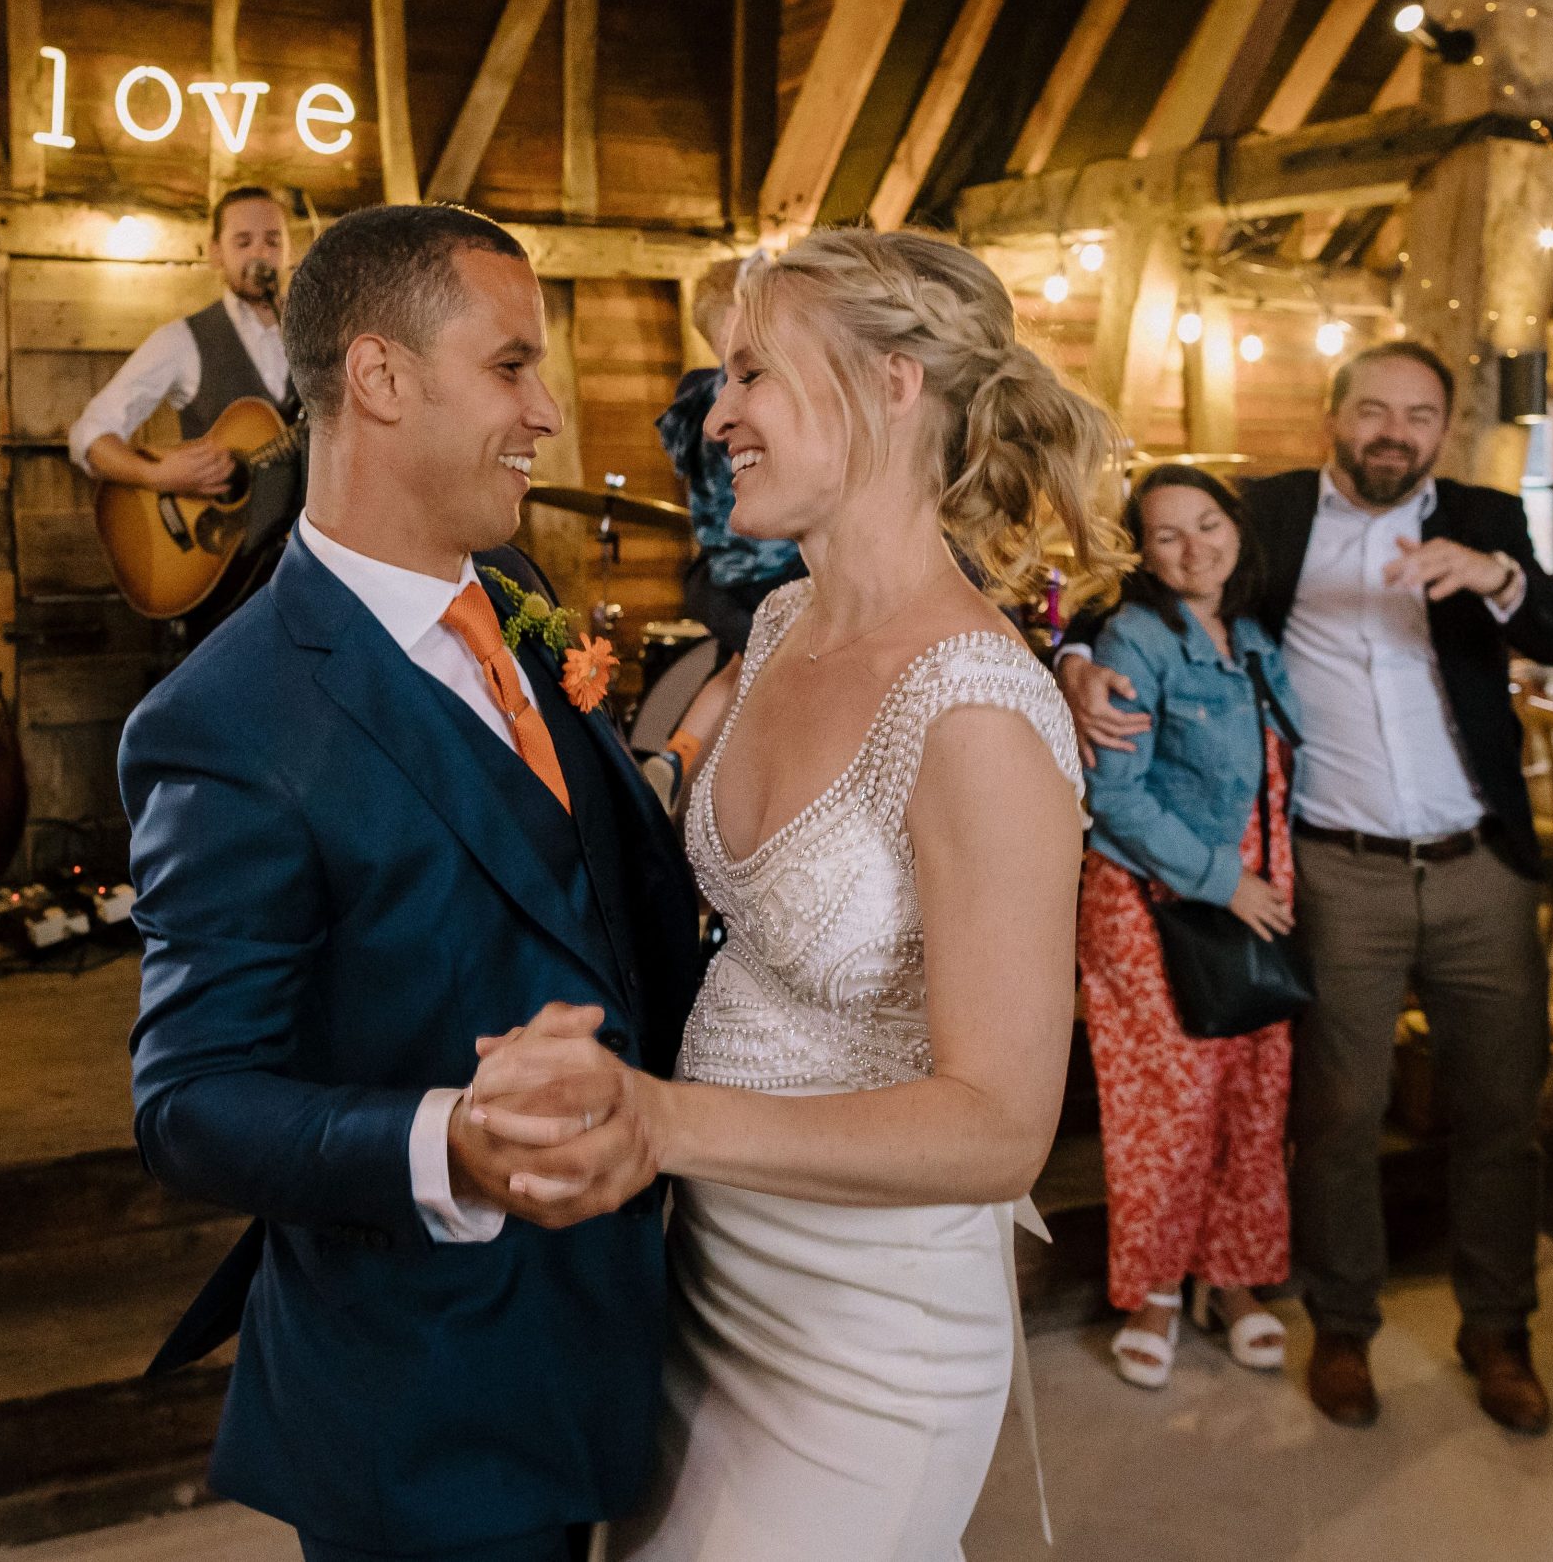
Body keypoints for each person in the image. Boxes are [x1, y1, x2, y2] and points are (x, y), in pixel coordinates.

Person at [466, 229, 1120, 1561]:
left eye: (752, 371)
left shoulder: (978, 709)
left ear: (891, 384)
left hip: (866, 1327)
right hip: (707, 1270)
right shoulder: (775, 631)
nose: (719, 416)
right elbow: (660, 839)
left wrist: (661, 1118)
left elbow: (1000, 1128)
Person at [123, 203, 705, 1561]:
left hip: (609, 1338)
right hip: (422, 1393)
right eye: (512, 365)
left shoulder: (507, 592)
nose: (546, 412)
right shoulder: (227, 719)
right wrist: (451, 1139)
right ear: (379, 378)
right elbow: (192, 1100)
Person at [1058, 341, 1553, 1435]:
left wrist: (1493, 577)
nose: (1395, 431)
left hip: (1479, 862)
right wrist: (1071, 658)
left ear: (1443, 429)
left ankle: (1498, 1330)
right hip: (1336, 870)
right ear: (1331, 420)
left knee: (1501, 1112)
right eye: (1374, 411)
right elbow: (1135, 576)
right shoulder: (1273, 517)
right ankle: (1343, 1324)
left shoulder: (1485, 517)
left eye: (1420, 414)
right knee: (1338, 1111)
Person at [1078, 466, 1297, 1391]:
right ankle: (1157, 1290)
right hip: (1162, 896)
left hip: (1261, 886)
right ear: (1142, 552)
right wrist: (1222, 879)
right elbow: (1113, 795)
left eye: (1207, 524)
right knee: (1165, 1110)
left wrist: (1263, 880)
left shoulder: (1250, 635)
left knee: (1254, 1094)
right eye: (1167, 534)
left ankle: (1235, 1277)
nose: (1193, 547)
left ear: (1235, 527)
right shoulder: (1133, 637)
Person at [70, 184, 303, 642]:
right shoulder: (183, 341)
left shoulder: (320, 345)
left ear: (290, 250)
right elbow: (89, 434)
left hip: (305, 579)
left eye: (273, 240)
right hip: (222, 582)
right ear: (216, 253)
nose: (260, 253)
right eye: (243, 241)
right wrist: (157, 476)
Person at [637, 260, 806, 803]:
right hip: (769, 565)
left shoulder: (693, 401)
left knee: (735, 668)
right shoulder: (733, 402)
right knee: (757, 670)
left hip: (724, 568)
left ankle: (678, 757)